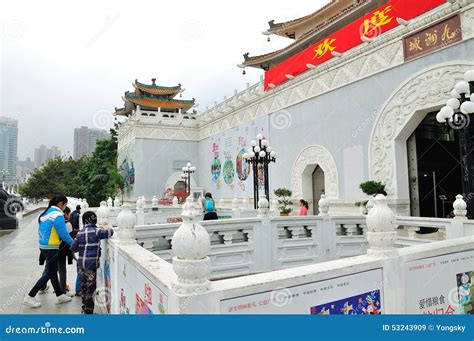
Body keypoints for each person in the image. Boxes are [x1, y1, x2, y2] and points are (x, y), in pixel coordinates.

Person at [23, 195, 75, 308]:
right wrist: (74, 244)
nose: (65, 207)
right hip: (51, 247)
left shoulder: (47, 213)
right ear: (61, 204)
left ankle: (60, 295)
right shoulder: (57, 215)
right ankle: (30, 296)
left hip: (44, 246)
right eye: (65, 205)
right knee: (49, 273)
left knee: (52, 271)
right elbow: (63, 234)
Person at [71, 211, 114, 314]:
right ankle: (89, 312)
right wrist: (107, 227)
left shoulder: (80, 233)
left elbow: (73, 248)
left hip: (81, 265)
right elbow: (109, 232)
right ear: (95, 220)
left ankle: (84, 308)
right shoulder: (97, 231)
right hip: (91, 266)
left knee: (84, 287)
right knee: (91, 289)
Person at [57, 206, 77, 297]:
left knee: (51, 270)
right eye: (69, 214)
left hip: (53, 248)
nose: (70, 216)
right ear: (65, 213)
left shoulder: (57, 222)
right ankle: (63, 291)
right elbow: (68, 238)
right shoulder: (67, 224)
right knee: (62, 270)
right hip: (62, 249)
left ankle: (42, 286)